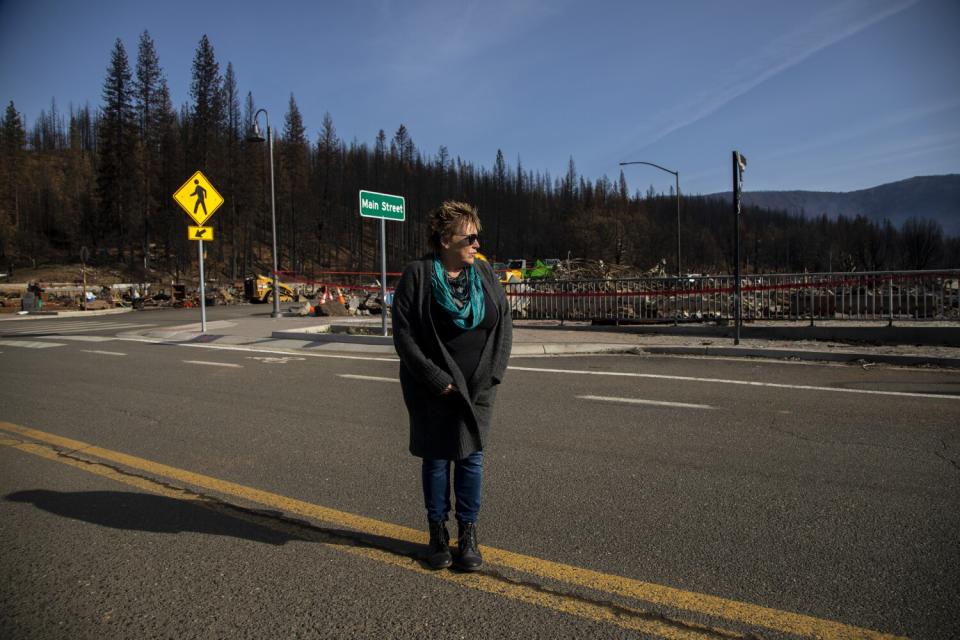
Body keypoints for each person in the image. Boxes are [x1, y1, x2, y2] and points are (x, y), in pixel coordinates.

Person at [392, 201, 512, 571]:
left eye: (478, 237)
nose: (477, 244)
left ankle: (468, 535)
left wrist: (492, 374)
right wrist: (434, 378)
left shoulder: (486, 274)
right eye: (469, 237)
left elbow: (504, 325)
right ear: (445, 239)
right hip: (432, 389)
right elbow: (404, 335)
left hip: (478, 388)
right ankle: (437, 535)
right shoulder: (418, 275)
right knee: (437, 458)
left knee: (472, 458)